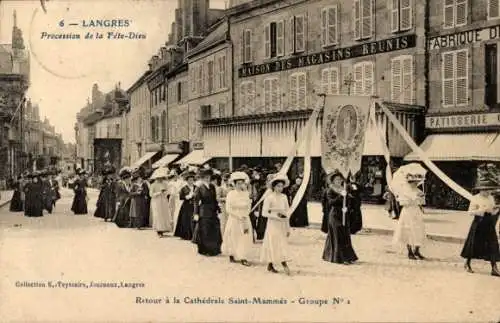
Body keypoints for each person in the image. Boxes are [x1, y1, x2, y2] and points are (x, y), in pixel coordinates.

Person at [461, 167, 500, 277]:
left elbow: (492, 211)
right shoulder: (475, 198)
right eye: (485, 189)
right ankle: (467, 263)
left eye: (489, 189)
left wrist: (495, 210)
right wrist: (482, 210)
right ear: (481, 189)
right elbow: (470, 212)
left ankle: (494, 268)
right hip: (478, 223)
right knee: (474, 244)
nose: (488, 191)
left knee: (492, 244)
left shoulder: (491, 198)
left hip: (488, 223)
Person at [391, 163, 427, 260]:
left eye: (416, 181)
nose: (414, 183)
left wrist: (421, 198)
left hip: (416, 212)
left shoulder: (418, 191)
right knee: (408, 231)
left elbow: (422, 202)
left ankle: (417, 250)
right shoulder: (404, 191)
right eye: (412, 181)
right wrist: (413, 199)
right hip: (408, 212)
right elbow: (403, 202)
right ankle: (410, 251)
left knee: (418, 231)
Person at [322, 172, 358, 265]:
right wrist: (340, 195)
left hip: (344, 214)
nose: (339, 181)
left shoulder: (344, 189)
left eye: (340, 179)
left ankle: (348, 256)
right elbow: (331, 202)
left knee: (345, 234)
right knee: (337, 233)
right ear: (333, 181)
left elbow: (350, 200)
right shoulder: (330, 190)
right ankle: (339, 258)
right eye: (336, 180)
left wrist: (348, 208)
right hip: (334, 215)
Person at [260, 173, 292, 275]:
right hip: (273, 223)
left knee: (281, 243)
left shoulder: (284, 197)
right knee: (272, 243)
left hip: (281, 224)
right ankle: (273, 264)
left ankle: (282, 262)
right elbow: (264, 213)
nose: (280, 188)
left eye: (282, 186)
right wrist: (275, 216)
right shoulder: (269, 197)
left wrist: (288, 227)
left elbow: (287, 212)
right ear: (273, 186)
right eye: (278, 186)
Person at [222, 171, 253, 266]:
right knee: (233, 236)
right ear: (234, 184)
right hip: (234, 218)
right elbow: (228, 209)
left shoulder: (246, 194)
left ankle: (243, 256)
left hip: (244, 218)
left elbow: (248, 206)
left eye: (242, 183)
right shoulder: (231, 194)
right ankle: (232, 254)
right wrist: (237, 215)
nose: (240, 185)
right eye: (238, 183)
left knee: (244, 236)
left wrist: (245, 215)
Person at [193, 168, 222, 256]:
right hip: (204, 211)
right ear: (202, 178)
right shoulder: (199, 188)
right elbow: (196, 201)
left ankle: (214, 249)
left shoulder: (212, 186)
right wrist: (196, 213)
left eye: (208, 177)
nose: (207, 178)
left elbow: (214, 199)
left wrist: (218, 209)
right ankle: (205, 250)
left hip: (212, 210)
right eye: (205, 177)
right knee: (205, 231)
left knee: (214, 229)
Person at [150, 167, 173, 237]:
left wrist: (165, 192)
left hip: (163, 200)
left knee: (164, 214)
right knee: (158, 215)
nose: (160, 179)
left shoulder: (165, 184)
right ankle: (158, 230)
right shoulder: (153, 185)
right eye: (158, 177)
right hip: (156, 201)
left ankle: (163, 229)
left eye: (161, 177)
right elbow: (151, 194)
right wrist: (159, 193)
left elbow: (168, 192)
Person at [174, 171, 196, 240]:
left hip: (194, 205)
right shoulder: (184, 188)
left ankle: (194, 235)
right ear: (187, 181)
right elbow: (181, 197)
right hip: (186, 206)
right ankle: (186, 235)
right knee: (186, 220)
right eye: (189, 180)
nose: (191, 181)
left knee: (194, 219)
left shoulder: (196, 187)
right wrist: (187, 196)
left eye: (192, 180)